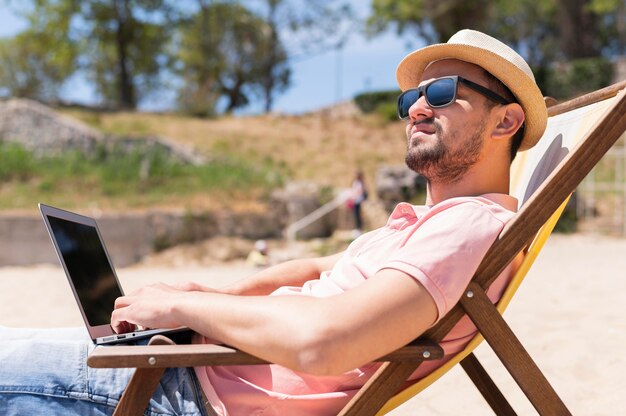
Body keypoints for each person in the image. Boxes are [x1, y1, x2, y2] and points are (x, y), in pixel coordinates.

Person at [0, 29, 547, 416]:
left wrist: (182, 307)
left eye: (444, 93)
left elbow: (322, 343)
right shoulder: (419, 226)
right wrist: (215, 292)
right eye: (412, 97)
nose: (418, 109)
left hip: (183, 393)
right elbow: (316, 263)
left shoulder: (466, 226)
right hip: (188, 365)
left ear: (508, 119)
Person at [349, 170, 367, 237]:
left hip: (358, 201)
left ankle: (359, 229)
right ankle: (357, 228)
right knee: (355, 215)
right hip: (355, 200)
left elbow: (360, 191)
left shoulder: (360, 183)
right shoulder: (355, 182)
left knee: (358, 215)